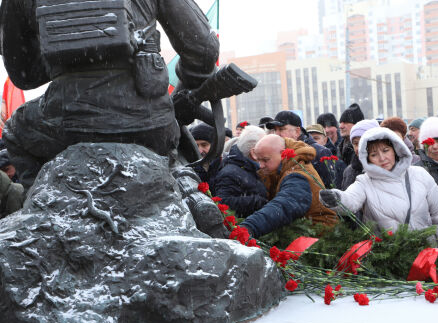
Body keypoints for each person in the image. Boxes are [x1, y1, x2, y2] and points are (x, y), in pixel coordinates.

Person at [0, 0, 219, 191]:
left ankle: (41, 205)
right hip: (151, 124)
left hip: (66, 127)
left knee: (13, 132)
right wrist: (178, 97)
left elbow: (24, 75)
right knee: (179, 158)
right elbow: (204, 49)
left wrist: (68, 58)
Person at [319, 127, 438, 249]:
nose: (382, 158)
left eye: (386, 150)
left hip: (425, 259)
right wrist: (336, 198)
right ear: (367, 158)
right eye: (374, 155)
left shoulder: (419, 175)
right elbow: (350, 200)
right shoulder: (364, 182)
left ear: (395, 150)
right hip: (388, 261)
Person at [240, 135, 337, 237]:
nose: (261, 165)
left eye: (265, 160)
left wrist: (250, 227)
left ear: (283, 154)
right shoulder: (285, 169)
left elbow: (283, 206)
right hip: (308, 234)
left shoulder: (298, 175)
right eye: (258, 160)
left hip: (320, 238)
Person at [266, 111, 338, 188]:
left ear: (297, 131)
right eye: (275, 130)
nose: (277, 134)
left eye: (281, 129)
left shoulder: (319, 152)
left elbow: (330, 188)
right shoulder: (277, 153)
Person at [214, 126, 268, 218]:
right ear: (253, 153)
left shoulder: (249, 167)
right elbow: (223, 203)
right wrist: (259, 202)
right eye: (266, 146)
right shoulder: (230, 173)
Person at [341, 119, 379, 190]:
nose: (359, 148)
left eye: (363, 141)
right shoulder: (349, 172)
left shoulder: (387, 167)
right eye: (356, 143)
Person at [189, 123, 221, 190]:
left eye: (204, 145)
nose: (200, 151)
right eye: (196, 145)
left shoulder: (224, 165)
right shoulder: (190, 167)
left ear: (214, 145)